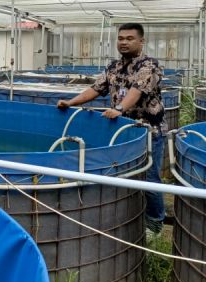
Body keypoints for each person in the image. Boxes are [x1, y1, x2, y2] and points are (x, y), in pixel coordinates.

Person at [56, 23, 166, 236]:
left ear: (141, 41)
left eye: (129, 38)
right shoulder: (113, 67)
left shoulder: (149, 65)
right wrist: (71, 102)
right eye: (121, 38)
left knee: (150, 178)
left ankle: (155, 223)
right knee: (125, 175)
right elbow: (95, 89)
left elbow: (137, 90)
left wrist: (119, 108)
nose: (123, 42)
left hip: (148, 131)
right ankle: (131, 215)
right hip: (123, 133)